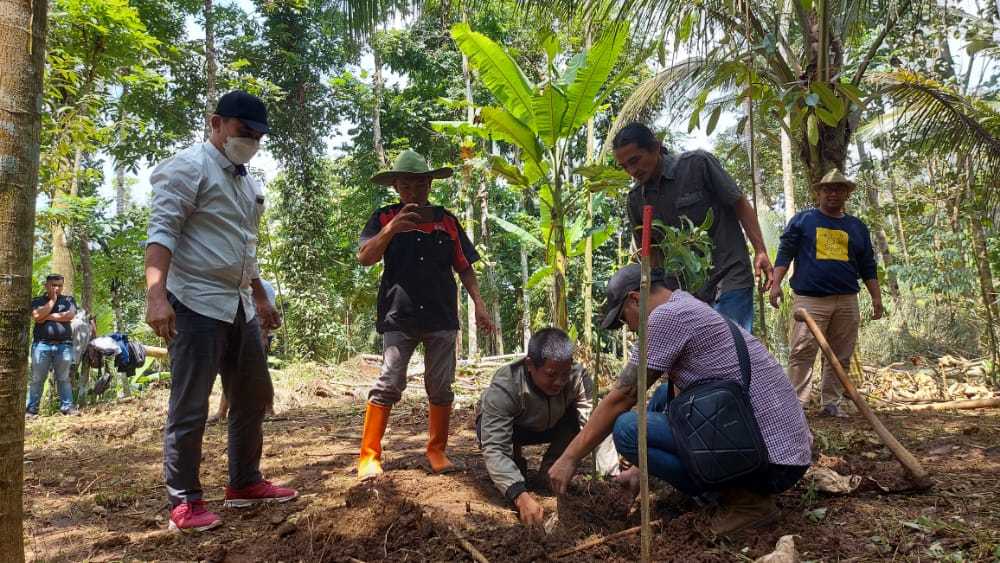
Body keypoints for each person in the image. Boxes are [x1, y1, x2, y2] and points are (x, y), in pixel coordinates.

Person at [547, 265, 812, 536]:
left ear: (635, 299)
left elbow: (622, 397)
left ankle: (746, 502)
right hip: (782, 452)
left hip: (772, 463)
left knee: (627, 429)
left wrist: (569, 458)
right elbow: (676, 396)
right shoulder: (686, 304)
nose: (631, 329)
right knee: (664, 396)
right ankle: (730, 489)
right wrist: (640, 470)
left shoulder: (665, 318)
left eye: (626, 319)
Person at [145, 90, 297, 534]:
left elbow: (244, 248)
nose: (250, 140)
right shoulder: (189, 168)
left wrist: (261, 296)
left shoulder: (248, 182)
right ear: (216, 124)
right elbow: (162, 233)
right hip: (194, 301)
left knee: (252, 395)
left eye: (257, 136)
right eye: (242, 131)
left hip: (239, 304)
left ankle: (244, 482)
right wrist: (157, 296)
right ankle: (185, 500)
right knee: (191, 403)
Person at [356, 149, 494, 480]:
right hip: (398, 315)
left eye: (419, 185)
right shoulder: (383, 217)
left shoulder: (447, 221)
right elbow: (365, 257)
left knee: (441, 385)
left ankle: (437, 450)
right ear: (396, 188)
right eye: (406, 186)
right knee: (389, 382)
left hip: (441, 315)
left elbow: (465, 267)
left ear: (430, 184)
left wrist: (480, 304)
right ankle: (369, 456)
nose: (413, 192)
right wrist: (392, 230)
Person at [611, 123, 773, 331]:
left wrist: (760, 250)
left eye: (635, 160)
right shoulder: (636, 201)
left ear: (655, 147)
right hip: (685, 295)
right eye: (625, 167)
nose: (632, 171)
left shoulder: (698, 165)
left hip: (729, 276)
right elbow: (651, 254)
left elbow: (739, 202)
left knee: (730, 351)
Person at [769, 169, 883, 417]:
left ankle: (831, 403)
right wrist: (776, 283)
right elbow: (785, 253)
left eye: (839, 189)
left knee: (840, 355)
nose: (833, 193)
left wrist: (876, 296)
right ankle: (796, 406)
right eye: (827, 189)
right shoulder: (803, 221)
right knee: (801, 351)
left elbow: (867, 264)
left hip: (846, 299)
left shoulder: (856, 227)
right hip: (810, 300)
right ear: (818, 193)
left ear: (846, 194)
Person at [476, 328, 592, 526]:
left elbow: (593, 424)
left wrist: (610, 474)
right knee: (513, 476)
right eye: (551, 375)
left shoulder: (578, 377)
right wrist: (519, 495)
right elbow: (495, 447)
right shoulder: (506, 385)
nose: (559, 382)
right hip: (516, 429)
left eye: (565, 374)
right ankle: (516, 462)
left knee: (577, 420)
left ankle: (550, 469)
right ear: (530, 364)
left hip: (554, 425)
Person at [209, 278, 277, 423]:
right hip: (241, 331)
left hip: (261, 333)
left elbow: (268, 312)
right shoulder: (234, 286)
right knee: (231, 371)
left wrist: (263, 335)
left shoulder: (265, 287)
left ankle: (269, 408)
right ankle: (222, 411)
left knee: (260, 371)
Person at [27, 274, 80, 416]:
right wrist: (52, 302)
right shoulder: (38, 300)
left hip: (64, 346)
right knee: (37, 379)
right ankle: (32, 410)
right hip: (41, 345)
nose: (57, 288)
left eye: (60, 285)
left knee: (63, 378)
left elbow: (69, 315)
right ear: (46, 285)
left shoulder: (69, 300)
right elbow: (37, 317)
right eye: (53, 285)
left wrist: (47, 316)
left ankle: (67, 407)